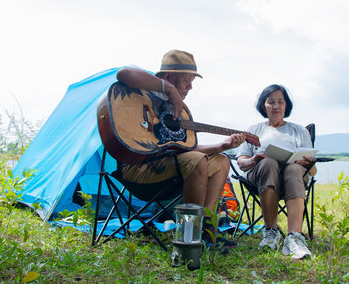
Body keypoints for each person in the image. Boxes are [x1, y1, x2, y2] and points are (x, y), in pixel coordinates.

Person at [116, 49, 246, 248]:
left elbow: (183, 150)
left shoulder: (177, 112)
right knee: (196, 160)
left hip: (170, 170)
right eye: (187, 80)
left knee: (221, 160)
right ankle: (189, 237)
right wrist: (169, 89)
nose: (190, 87)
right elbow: (123, 73)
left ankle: (207, 229)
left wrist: (222, 146)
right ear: (168, 76)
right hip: (139, 171)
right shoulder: (143, 94)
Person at [236, 84, 316, 259]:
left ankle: (294, 237)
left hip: (293, 177)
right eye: (271, 102)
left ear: (286, 105)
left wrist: (307, 163)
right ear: (263, 106)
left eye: (280, 101)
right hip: (261, 174)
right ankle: (271, 232)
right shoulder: (254, 130)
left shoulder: (299, 131)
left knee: (294, 168)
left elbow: (313, 170)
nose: (276, 106)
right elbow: (241, 161)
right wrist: (254, 160)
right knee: (269, 163)